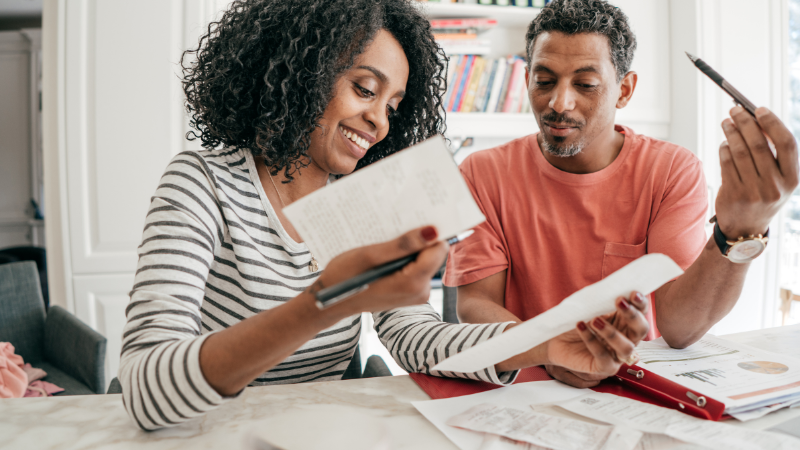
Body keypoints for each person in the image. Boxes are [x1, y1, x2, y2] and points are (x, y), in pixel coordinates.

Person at [119, 0, 651, 431]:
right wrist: (324, 303)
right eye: (364, 89)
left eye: (393, 106)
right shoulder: (202, 182)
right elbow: (145, 388)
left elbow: (416, 337)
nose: (378, 121)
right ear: (299, 72)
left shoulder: (370, 199)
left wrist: (545, 341)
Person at [447, 0, 799, 389]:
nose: (558, 103)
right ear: (527, 78)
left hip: (628, 387)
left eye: (585, 85)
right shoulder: (481, 172)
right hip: (520, 385)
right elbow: (475, 303)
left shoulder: (670, 171)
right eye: (544, 81)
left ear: (624, 90)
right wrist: (548, 350)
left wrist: (739, 228)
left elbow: (680, 329)